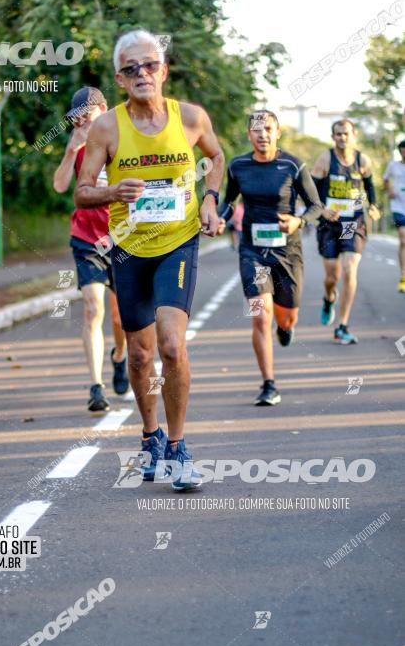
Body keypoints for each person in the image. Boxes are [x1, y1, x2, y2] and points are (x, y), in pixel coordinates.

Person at [75, 29, 224, 491]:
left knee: (171, 346)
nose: (142, 74)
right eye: (130, 68)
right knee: (139, 355)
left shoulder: (192, 117)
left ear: (163, 70)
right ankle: (150, 436)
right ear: (120, 79)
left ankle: (179, 447)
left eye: (150, 65)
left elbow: (217, 158)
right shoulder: (106, 128)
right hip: (126, 248)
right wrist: (111, 191)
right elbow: (82, 193)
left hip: (178, 243)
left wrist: (211, 199)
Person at [217, 111, 322, 406]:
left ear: (277, 133)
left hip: (287, 250)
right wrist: (221, 219)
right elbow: (229, 201)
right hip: (253, 252)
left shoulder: (291, 164)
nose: (262, 134)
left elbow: (316, 205)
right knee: (260, 315)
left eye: (268, 129)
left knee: (286, 316)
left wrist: (298, 222)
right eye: (256, 130)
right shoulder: (238, 166)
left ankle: (286, 327)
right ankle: (268, 384)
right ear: (249, 135)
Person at [53, 87, 128, 413]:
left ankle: (120, 355)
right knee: (93, 309)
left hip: (122, 237)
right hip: (86, 238)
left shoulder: (122, 138)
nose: (82, 122)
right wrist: (71, 152)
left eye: (88, 115)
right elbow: (59, 186)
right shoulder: (78, 144)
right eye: (77, 117)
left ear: (104, 110)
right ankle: (96, 387)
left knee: (121, 316)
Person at [311, 119, 380, 344]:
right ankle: (329, 297)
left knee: (350, 269)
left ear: (354, 134)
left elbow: (369, 186)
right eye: (338, 134)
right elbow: (310, 191)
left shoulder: (362, 160)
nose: (343, 137)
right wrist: (323, 210)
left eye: (346, 133)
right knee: (332, 277)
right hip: (329, 224)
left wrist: (373, 205)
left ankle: (342, 325)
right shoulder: (325, 159)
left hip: (353, 222)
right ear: (333, 137)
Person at [383, 139, 405, 292]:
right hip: (398, 206)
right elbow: (385, 179)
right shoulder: (393, 165)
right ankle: (403, 277)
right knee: (403, 239)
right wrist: (388, 190)